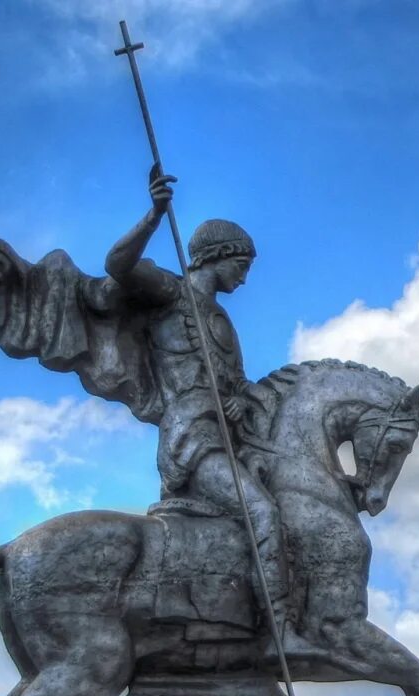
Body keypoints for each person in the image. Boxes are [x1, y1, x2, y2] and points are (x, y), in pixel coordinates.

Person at [104, 167, 287, 613]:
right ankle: (280, 626)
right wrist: (154, 214)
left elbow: (236, 384)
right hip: (192, 438)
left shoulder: (222, 320)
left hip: (228, 439)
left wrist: (243, 399)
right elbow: (118, 266)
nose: (243, 279)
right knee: (262, 513)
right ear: (217, 256)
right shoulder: (171, 292)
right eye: (240, 266)